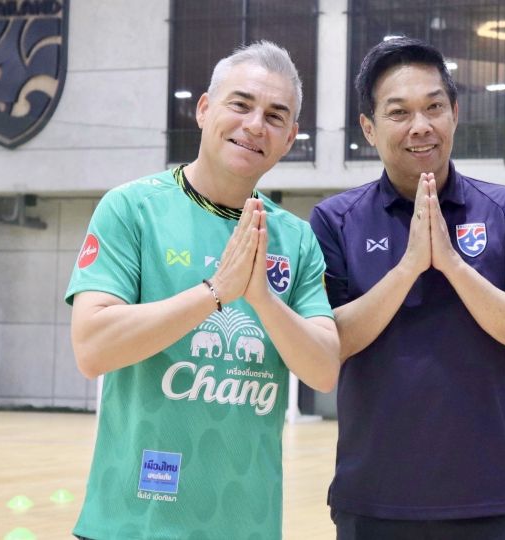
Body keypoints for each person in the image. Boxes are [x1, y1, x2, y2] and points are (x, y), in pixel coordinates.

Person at [65, 41, 340, 540]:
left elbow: (323, 370)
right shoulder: (132, 209)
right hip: (131, 523)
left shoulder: (296, 239)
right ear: (205, 109)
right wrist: (216, 291)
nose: (256, 124)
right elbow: (92, 346)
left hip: (247, 526)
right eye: (241, 104)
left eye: (276, 116)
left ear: (290, 139)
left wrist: (261, 298)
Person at [310, 37, 505, 539]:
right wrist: (407, 269)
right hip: (373, 499)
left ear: (454, 114)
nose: (420, 126)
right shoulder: (334, 220)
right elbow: (330, 345)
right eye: (399, 112)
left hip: (490, 497)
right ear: (368, 127)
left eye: (434, 107)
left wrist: (450, 264)